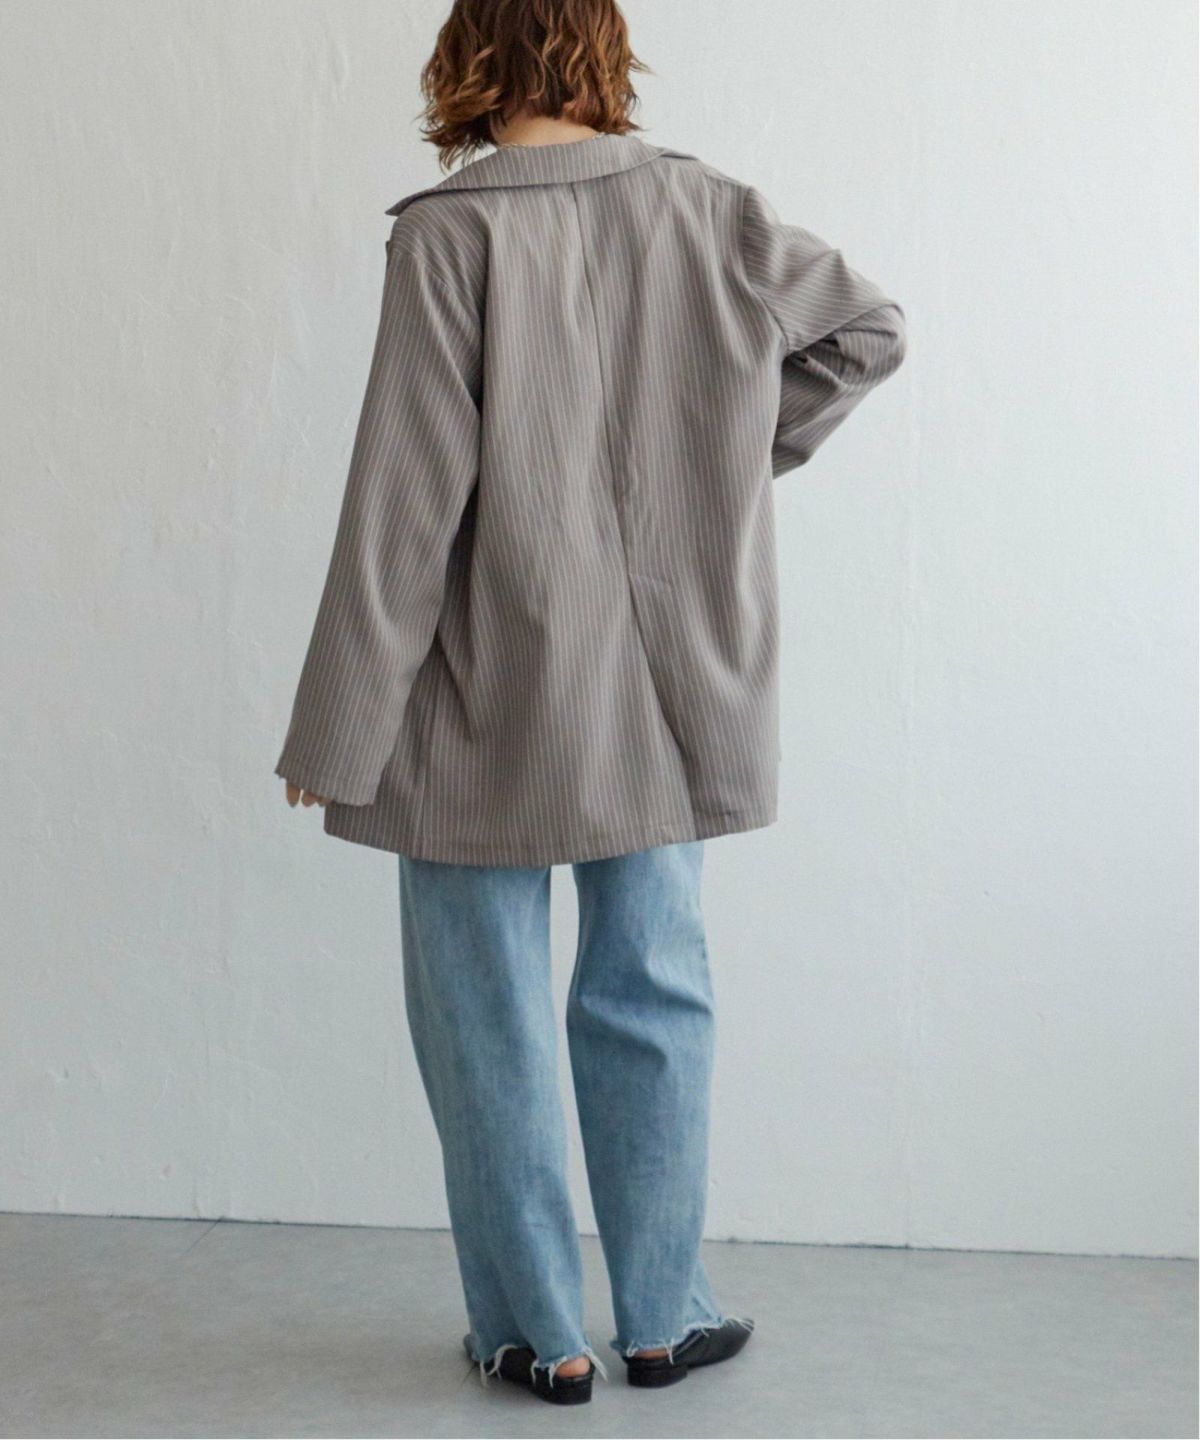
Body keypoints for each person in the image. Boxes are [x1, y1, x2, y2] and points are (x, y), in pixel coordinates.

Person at [274, 0, 906, 1408]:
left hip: (480, 692)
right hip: (663, 693)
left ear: (469, 58)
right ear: (603, 55)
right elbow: (868, 332)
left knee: (483, 1017)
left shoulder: (449, 233)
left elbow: (404, 505)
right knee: (653, 988)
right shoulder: (711, 210)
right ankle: (664, 1315)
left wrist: (340, 728)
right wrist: (726, 451)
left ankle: (534, 1332)